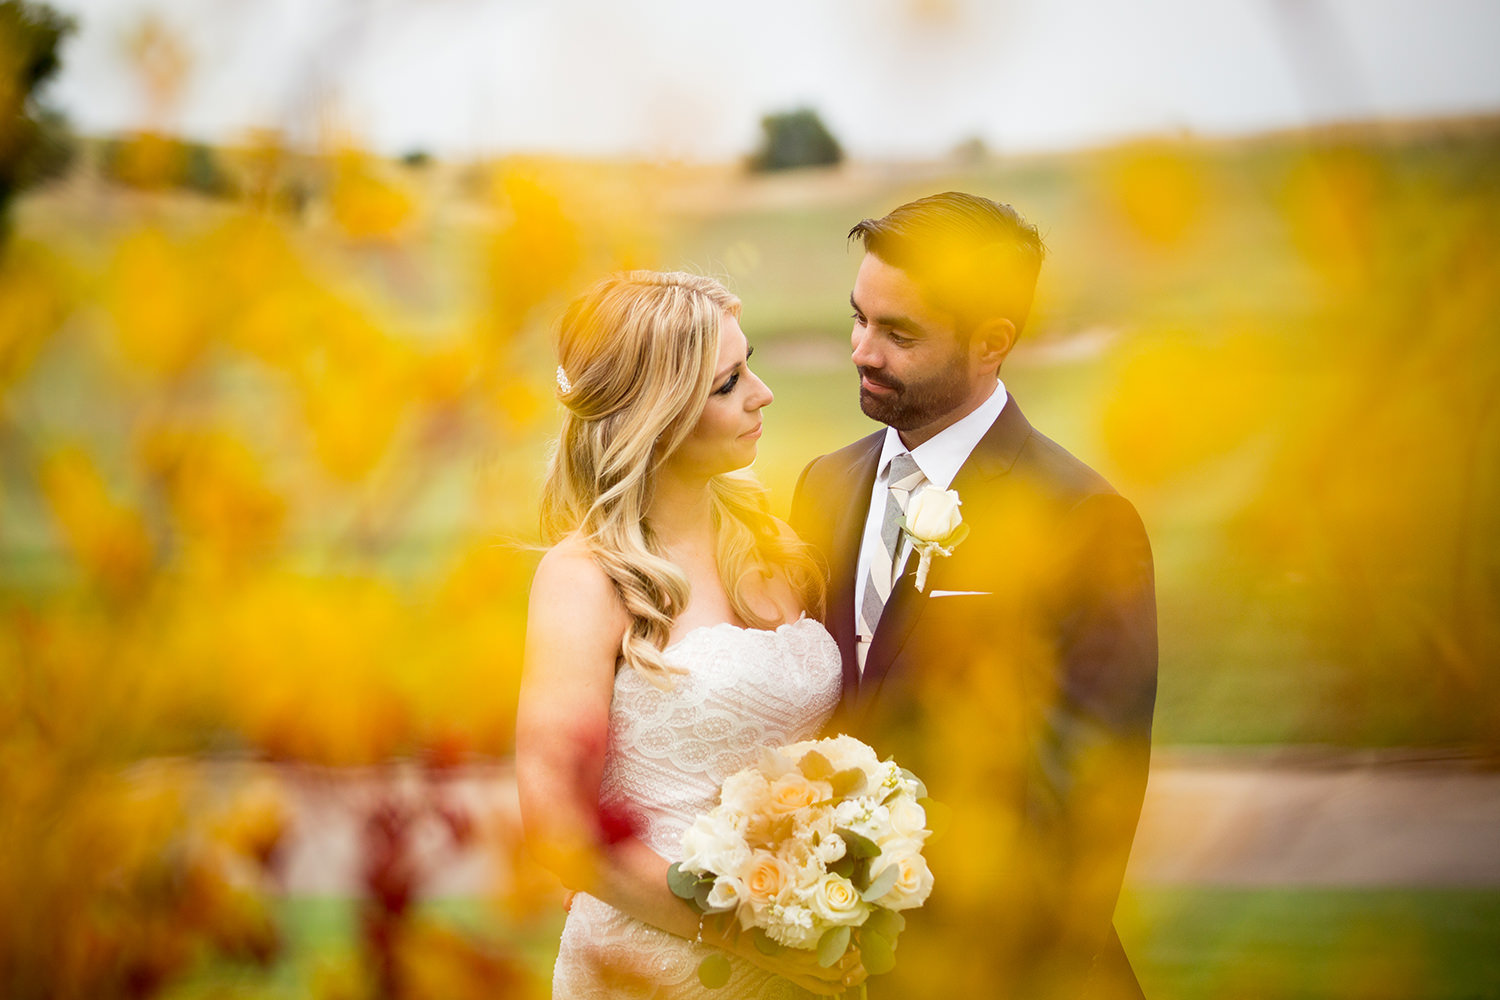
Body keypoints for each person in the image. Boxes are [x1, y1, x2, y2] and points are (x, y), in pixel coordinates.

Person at [790, 192, 1158, 999]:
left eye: (900, 334)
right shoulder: (823, 486)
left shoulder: (1082, 519)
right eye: (858, 318)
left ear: (993, 343)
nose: (862, 350)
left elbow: (1089, 799)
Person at [516, 271, 864, 998]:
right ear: (658, 413)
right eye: (728, 382)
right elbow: (557, 827)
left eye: (750, 366)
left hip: (806, 960)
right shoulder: (587, 578)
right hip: (657, 967)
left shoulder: (772, 547)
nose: (762, 393)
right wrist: (746, 938)